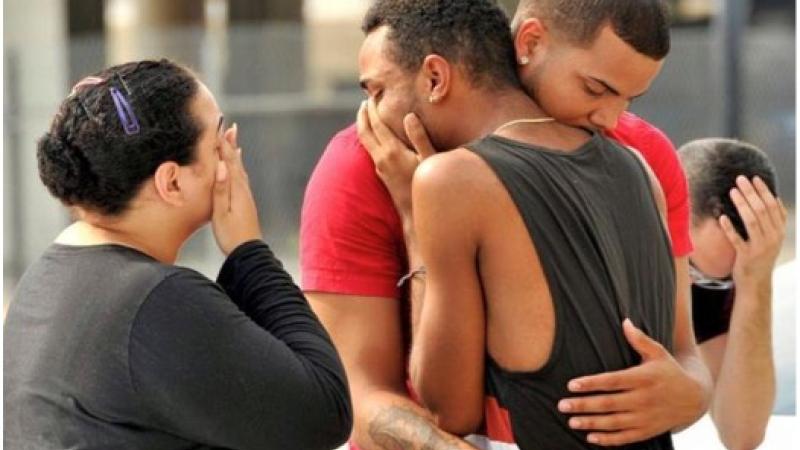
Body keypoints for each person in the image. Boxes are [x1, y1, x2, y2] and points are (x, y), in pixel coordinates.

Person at [300, 1, 710, 449]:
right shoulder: (360, 166)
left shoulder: (640, 151)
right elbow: (354, 395)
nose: (610, 118)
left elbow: (684, 353)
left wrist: (693, 394)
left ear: (438, 78)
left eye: (626, 99)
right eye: (595, 89)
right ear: (529, 42)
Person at [3, 59, 352, 450]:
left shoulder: (47, 278)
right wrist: (249, 251)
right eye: (219, 141)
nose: (231, 156)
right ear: (171, 181)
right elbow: (323, 413)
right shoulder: (154, 299)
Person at [679, 138, 787, 450]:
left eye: (715, 282)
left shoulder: (718, 280)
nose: (690, 286)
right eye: (691, 268)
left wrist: (755, 281)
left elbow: (741, 435)